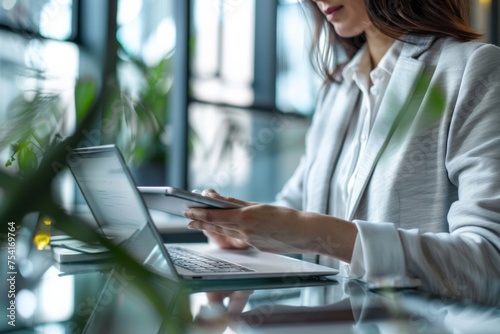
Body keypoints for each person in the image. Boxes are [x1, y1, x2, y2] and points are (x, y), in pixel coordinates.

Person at [184, 0, 500, 305]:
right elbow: (297, 206)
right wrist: (242, 230)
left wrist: (314, 233)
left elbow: (489, 265)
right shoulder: (335, 90)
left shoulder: (473, 69)